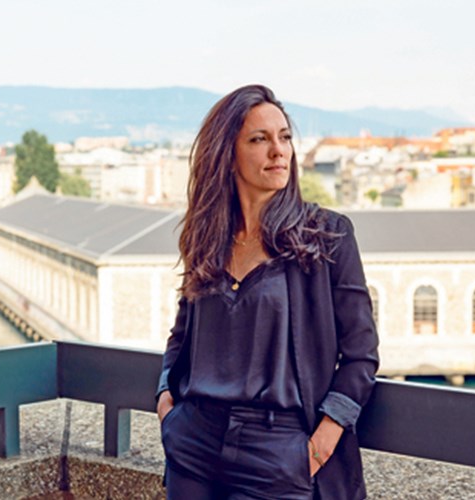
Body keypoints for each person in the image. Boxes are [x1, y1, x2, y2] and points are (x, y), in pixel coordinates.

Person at [156, 84, 379, 500]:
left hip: (278, 452)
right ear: (228, 154)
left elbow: (361, 353)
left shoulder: (327, 236)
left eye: (285, 137)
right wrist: (167, 399)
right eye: (260, 139)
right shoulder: (207, 237)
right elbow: (182, 334)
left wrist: (320, 444)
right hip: (194, 441)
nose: (279, 151)